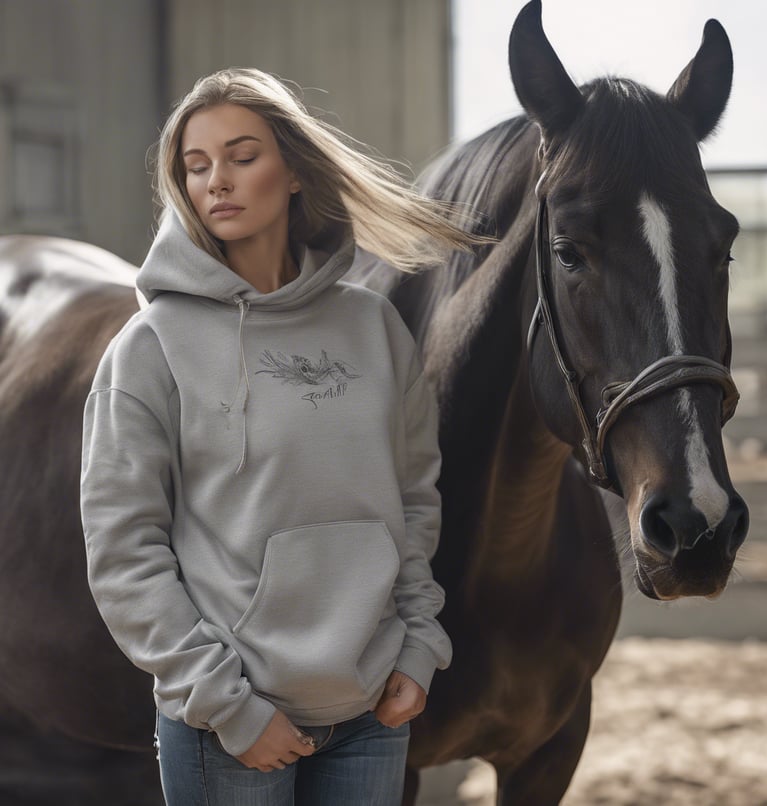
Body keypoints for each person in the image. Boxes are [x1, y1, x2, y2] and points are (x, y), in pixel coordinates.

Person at [80, 68, 478, 806]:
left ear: (294, 171)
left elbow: (414, 502)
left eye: (242, 156)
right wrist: (227, 705)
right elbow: (123, 549)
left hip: (371, 708)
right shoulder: (150, 346)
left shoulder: (373, 328)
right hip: (230, 724)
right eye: (196, 167)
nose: (216, 182)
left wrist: (419, 646)